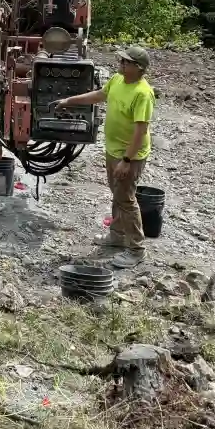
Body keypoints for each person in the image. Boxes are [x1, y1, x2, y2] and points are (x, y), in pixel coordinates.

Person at [55, 45, 155, 269]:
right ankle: (118, 236)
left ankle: (137, 250)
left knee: (126, 200)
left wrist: (127, 161)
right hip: (114, 151)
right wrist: (70, 100)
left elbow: (141, 132)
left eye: (125, 62)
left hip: (130, 155)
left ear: (138, 68)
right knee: (117, 194)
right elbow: (100, 95)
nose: (120, 64)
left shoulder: (142, 93)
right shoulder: (118, 81)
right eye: (121, 60)